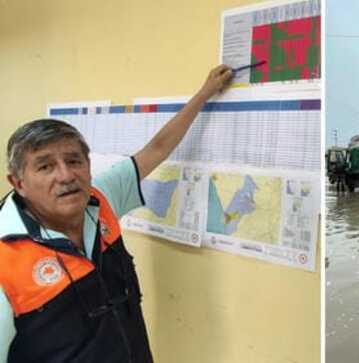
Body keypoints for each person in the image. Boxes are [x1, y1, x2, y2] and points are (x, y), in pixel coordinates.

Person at [0, 65, 233, 362]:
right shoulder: (5, 257)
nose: (66, 175)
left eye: (74, 160)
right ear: (18, 182)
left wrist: (204, 93)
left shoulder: (100, 196)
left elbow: (157, 149)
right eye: (45, 166)